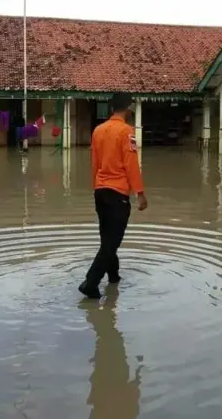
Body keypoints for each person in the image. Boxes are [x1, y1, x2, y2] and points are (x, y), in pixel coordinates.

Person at [80, 93, 148, 299]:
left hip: (100, 192)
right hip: (118, 193)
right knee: (112, 243)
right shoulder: (127, 131)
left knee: (107, 241)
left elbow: (94, 162)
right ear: (127, 109)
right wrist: (141, 194)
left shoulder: (98, 131)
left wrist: (96, 187)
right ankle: (91, 282)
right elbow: (131, 165)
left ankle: (114, 278)